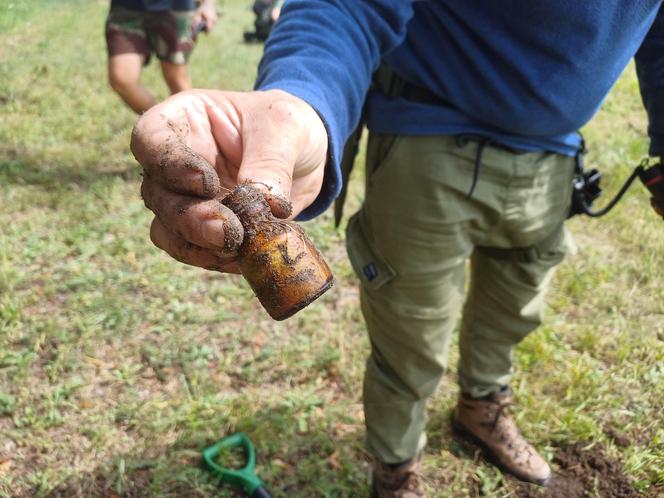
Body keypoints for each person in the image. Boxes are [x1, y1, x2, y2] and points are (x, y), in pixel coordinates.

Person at [130, 1, 664, 496]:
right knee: (410, 330)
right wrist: (300, 97)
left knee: (515, 308)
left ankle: (483, 407)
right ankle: (396, 467)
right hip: (427, 137)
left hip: (554, 153)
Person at [105, 0, 218, 114]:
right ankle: (162, 122)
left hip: (174, 7)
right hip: (125, 7)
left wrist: (208, 4)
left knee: (177, 80)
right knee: (123, 80)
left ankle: (192, 127)